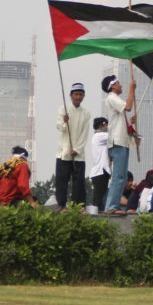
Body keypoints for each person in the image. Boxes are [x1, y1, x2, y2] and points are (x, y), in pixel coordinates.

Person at [101, 75, 136, 215]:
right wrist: (131, 89)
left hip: (123, 141)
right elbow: (128, 107)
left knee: (122, 176)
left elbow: (123, 123)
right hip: (117, 141)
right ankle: (111, 206)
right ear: (112, 86)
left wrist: (132, 127)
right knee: (118, 176)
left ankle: (113, 205)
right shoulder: (111, 98)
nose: (120, 85)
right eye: (118, 83)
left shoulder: (115, 100)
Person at [55, 82, 91, 211]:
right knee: (62, 181)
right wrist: (64, 121)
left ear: (84, 96)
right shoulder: (63, 109)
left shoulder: (86, 113)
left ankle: (79, 206)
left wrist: (77, 149)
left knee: (79, 182)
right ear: (71, 95)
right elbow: (59, 127)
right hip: (64, 152)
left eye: (81, 94)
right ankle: (62, 205)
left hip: (78, 154)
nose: (78, 97)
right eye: (76, 94)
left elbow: (85, 134)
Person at [88, 117, 110, 214]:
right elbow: (114, 135)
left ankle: (97, 214)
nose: (107, 127)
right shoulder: (99, 136)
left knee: (99, 198)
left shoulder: (99, 137)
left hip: (101, 171)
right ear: (101, 125)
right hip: (99, 171)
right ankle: (94, 216)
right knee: (98, 199)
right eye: (106, 125)